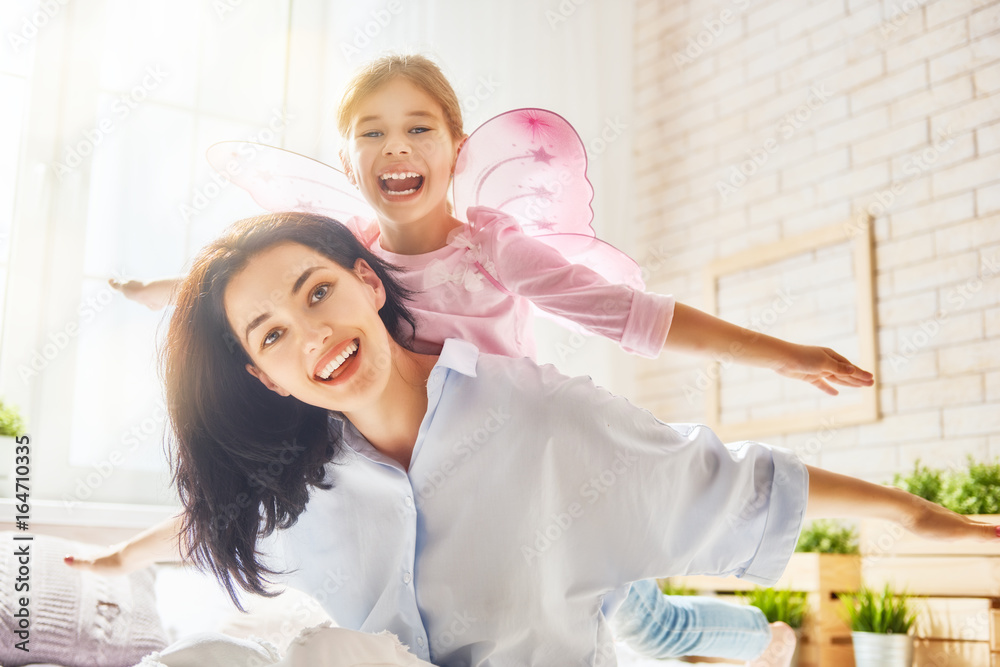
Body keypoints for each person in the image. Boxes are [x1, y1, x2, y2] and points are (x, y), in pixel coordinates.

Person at [94, 54, 876, 665]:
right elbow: (240, 287)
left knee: (650, 620)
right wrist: (162, 290)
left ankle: (762, 641)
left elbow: (634, 319)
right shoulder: (345, 262)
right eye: (370, 132)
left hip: (541, 481)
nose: (394, 146)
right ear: (348, 159)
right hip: (446, 510)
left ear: (456, 149)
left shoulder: (491, 249)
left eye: (417, 129)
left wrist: (783, 354)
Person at [131, 212, 1000, 667]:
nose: (309, 334)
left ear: (366, 280)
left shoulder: (537, 416)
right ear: (264, 378)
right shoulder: (294, 491)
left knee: (649, 621)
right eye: (271, 334)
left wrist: (925, 517)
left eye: (316, 292)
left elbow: (731, 481)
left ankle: (749, 638)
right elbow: (207, 521)